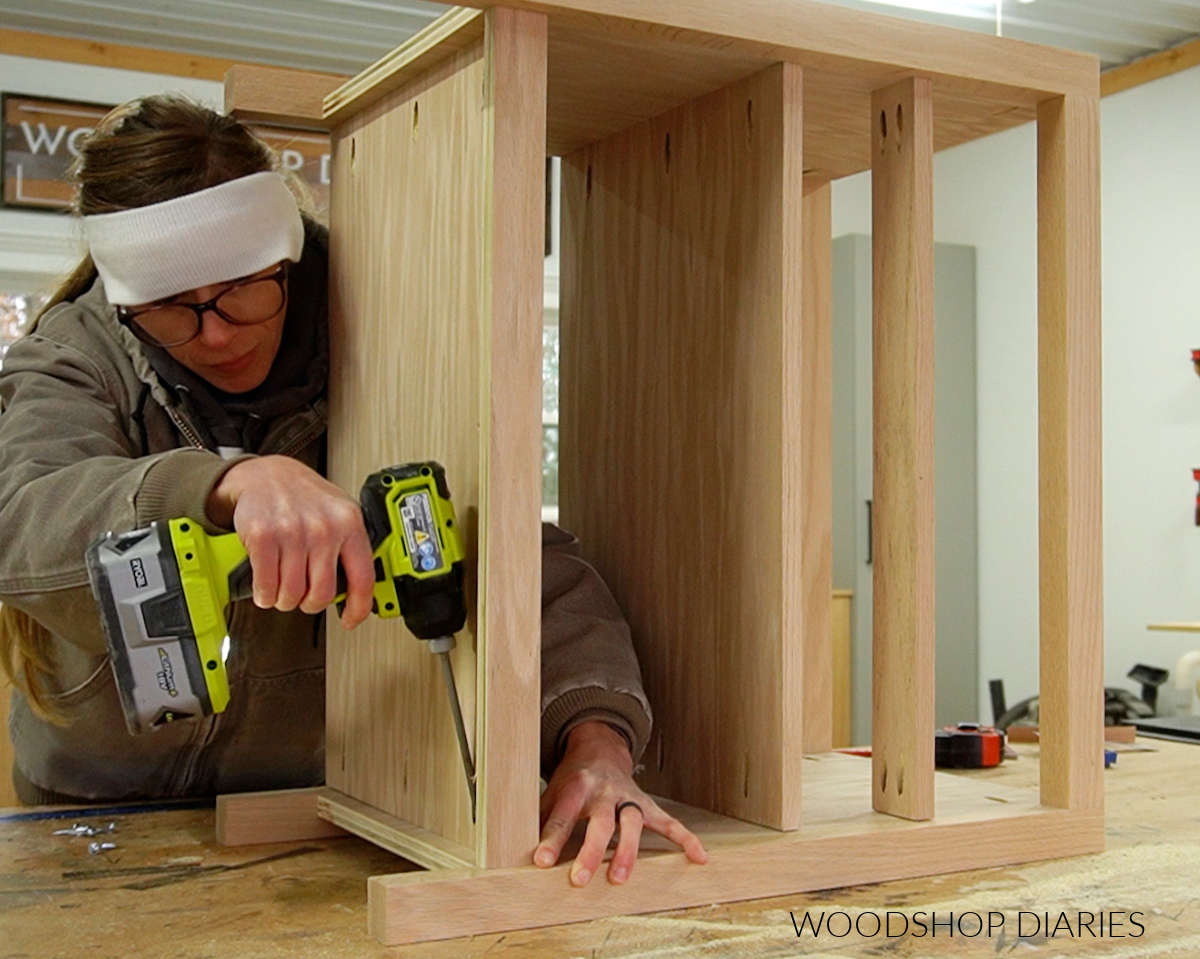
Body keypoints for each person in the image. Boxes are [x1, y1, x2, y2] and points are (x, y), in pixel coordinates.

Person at [0, 94, 705, 887]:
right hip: (97, 802)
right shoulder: (73, 357)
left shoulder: (391, 338)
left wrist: (598, 742)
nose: (218, 333)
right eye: (170, 308)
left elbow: (522, 561)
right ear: (125, 303)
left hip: (314, 809)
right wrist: (223, 486)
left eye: (241, 290)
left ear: (285, 258)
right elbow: (24, 520)